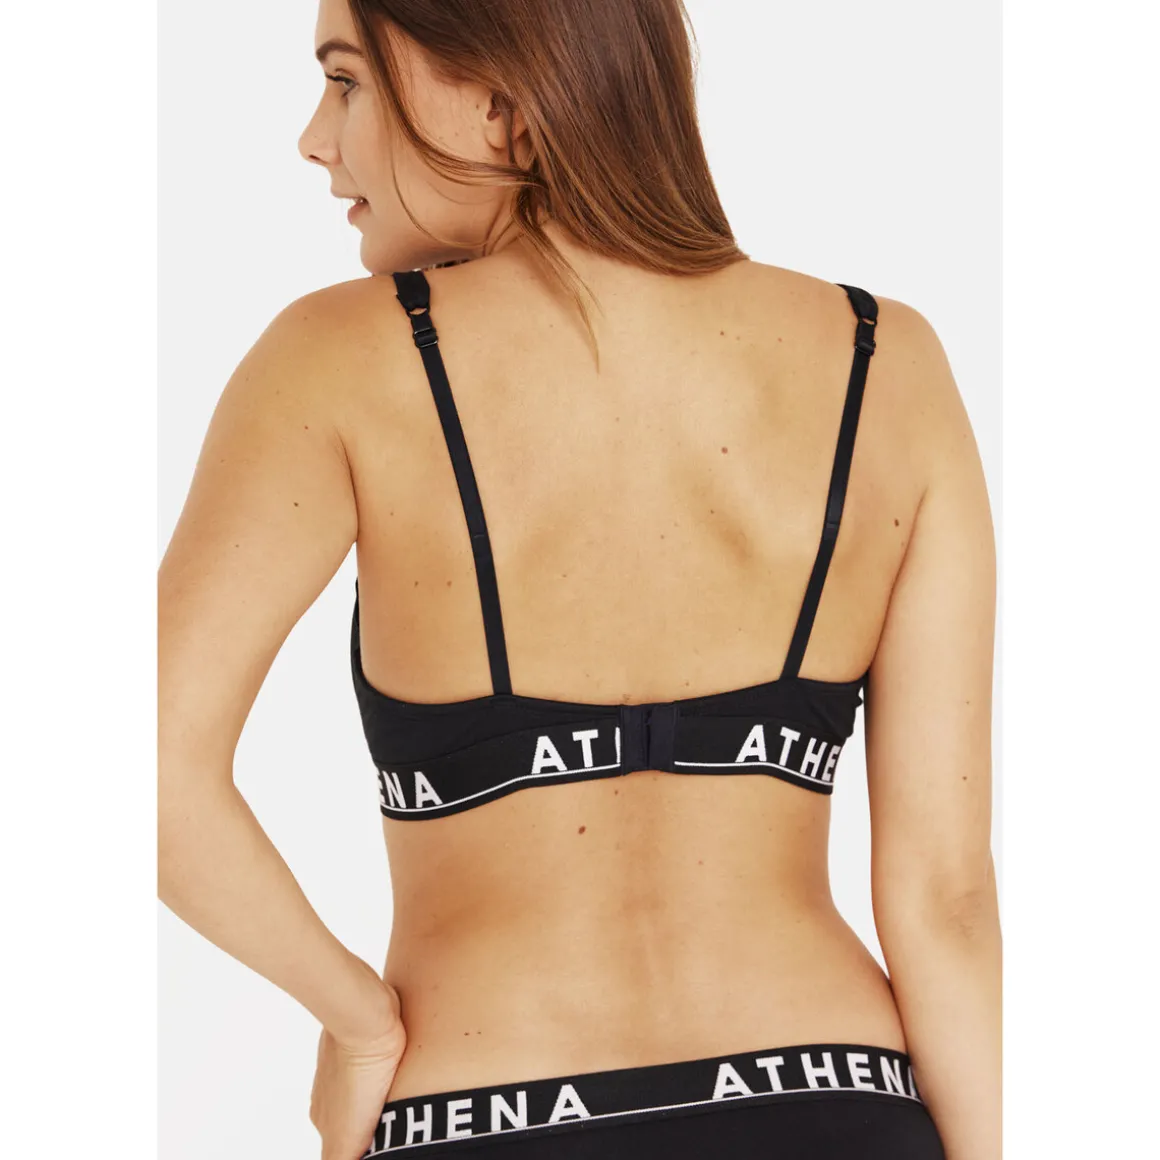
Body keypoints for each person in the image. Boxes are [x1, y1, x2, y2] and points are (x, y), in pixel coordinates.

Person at [157, 0, 1000, 1157]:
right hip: (837, 1097)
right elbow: (944, 896)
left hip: (486, 1110)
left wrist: (358, 1022)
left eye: (345, 81)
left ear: (503, 101)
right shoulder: (883, 359)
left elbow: (139, 766)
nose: (315, 138)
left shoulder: (338, 358)